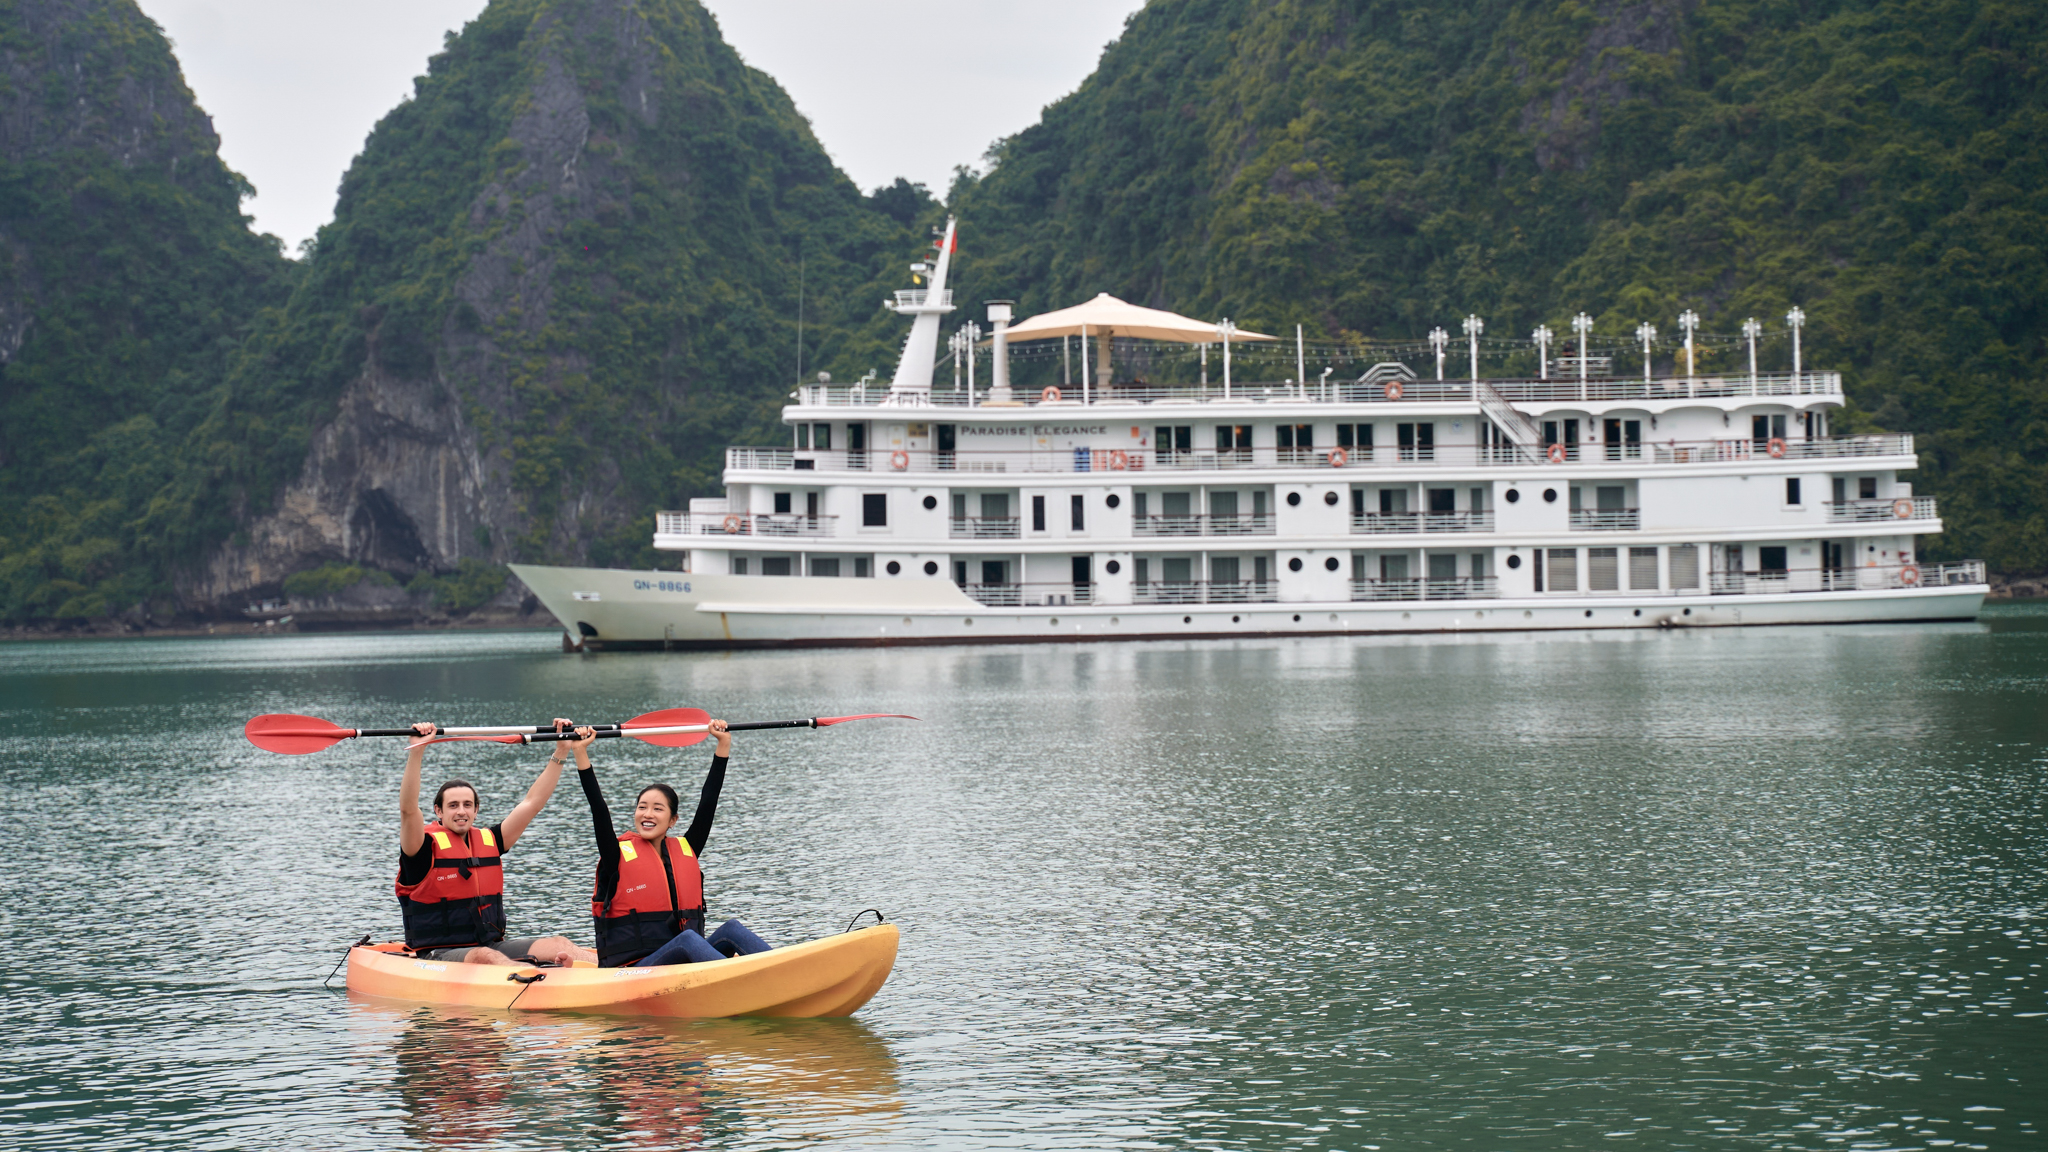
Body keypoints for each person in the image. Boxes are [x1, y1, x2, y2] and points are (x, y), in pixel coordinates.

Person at [578, 717, 775, 967]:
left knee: (731, 929)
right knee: (688, 940)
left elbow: (708, 801)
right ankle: (739, 978)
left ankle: (785, 970)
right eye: (642, 807)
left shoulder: (686, 849)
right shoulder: (615, 855)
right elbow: (598, 808)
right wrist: (580, 752)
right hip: (634, 970)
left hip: (683, 961)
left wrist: (723, 744)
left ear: (673, 820)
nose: (647, 814)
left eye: (657, 809)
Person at [396, 719, 594, 966]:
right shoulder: (421, 848)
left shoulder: (491, 840)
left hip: (490, 945)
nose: (461, 811)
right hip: (439, 953)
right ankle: (532, 977)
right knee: (485, 956)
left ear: (476, 810)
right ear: (439, 810)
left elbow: (532, 803)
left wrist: (562, 749)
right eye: (453, 805)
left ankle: (616, 972)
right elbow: (408, 811)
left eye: (467, 805)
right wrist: (417, 751)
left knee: (559, 944)